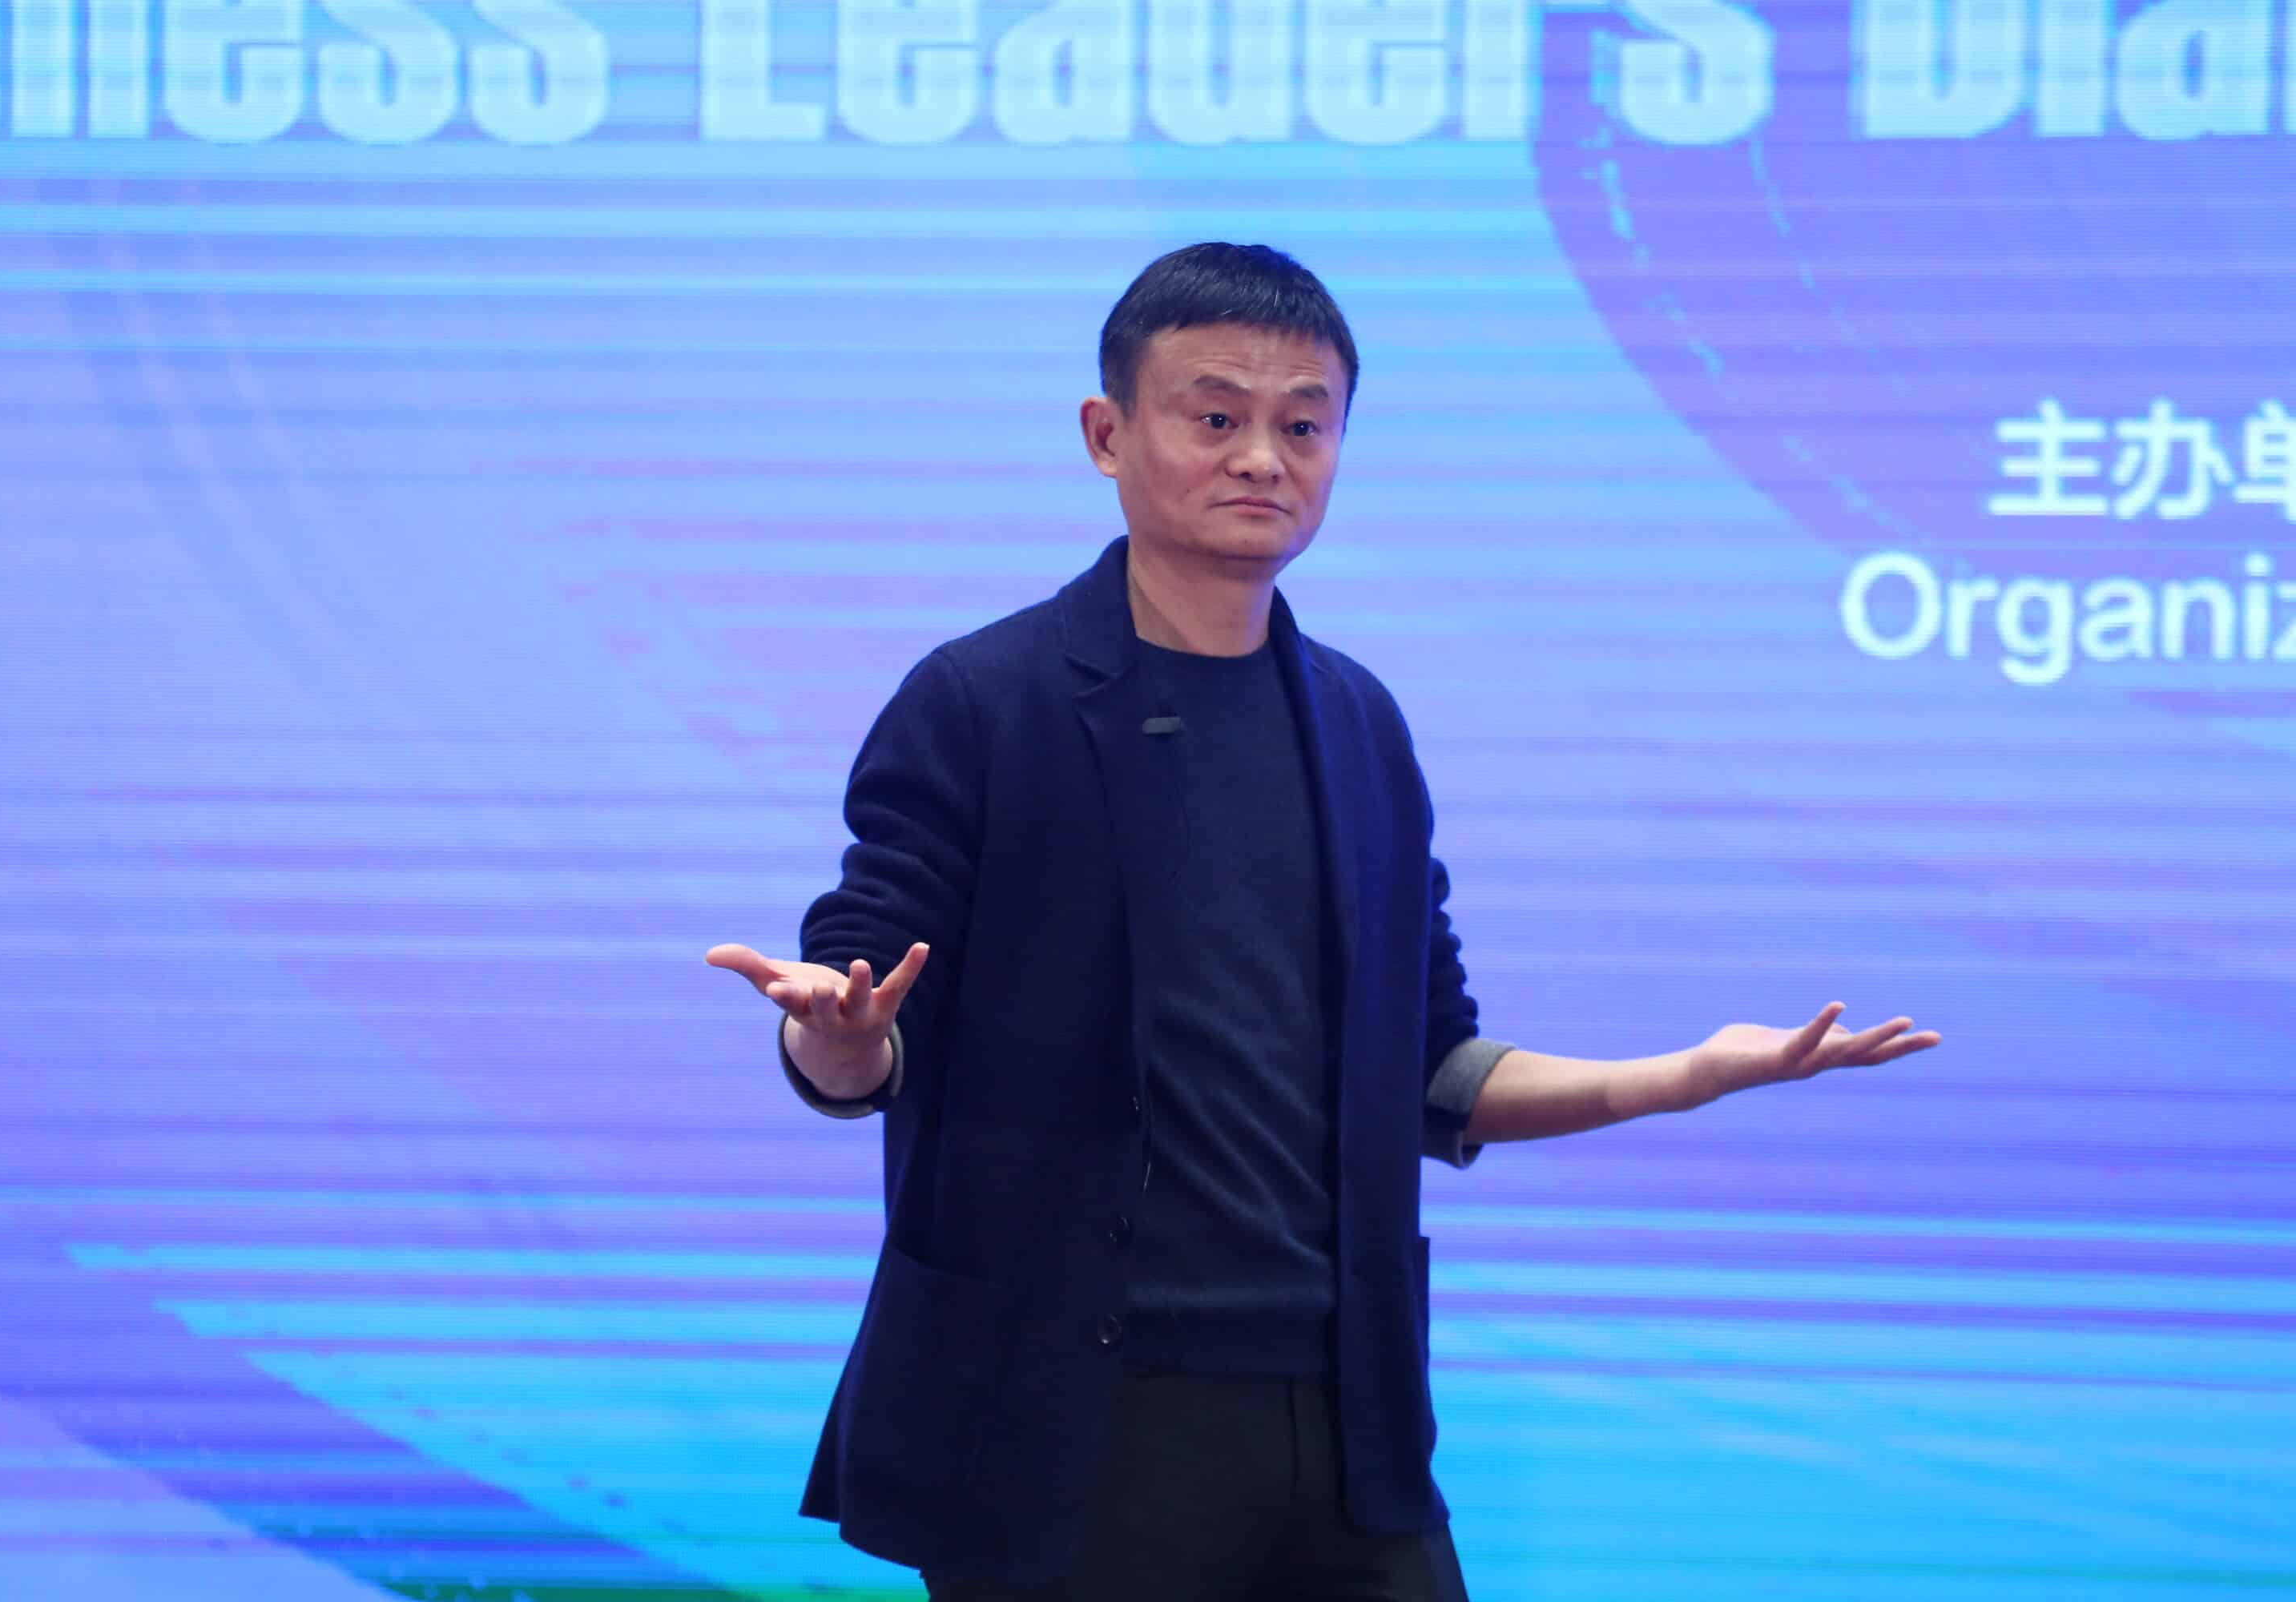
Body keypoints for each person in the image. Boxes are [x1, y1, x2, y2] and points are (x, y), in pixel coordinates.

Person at [705, 243, 1940, 1600]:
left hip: (1345, 1412)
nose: (1262, 458)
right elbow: (862, 1008)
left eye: (1304, 426)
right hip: (1068, 1422)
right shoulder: (983, 701)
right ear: (1107, 435)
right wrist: (840, 1037)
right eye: (1215, 416)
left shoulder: (1357, 723)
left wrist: (1687, 1076)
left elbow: (1435, 1070)